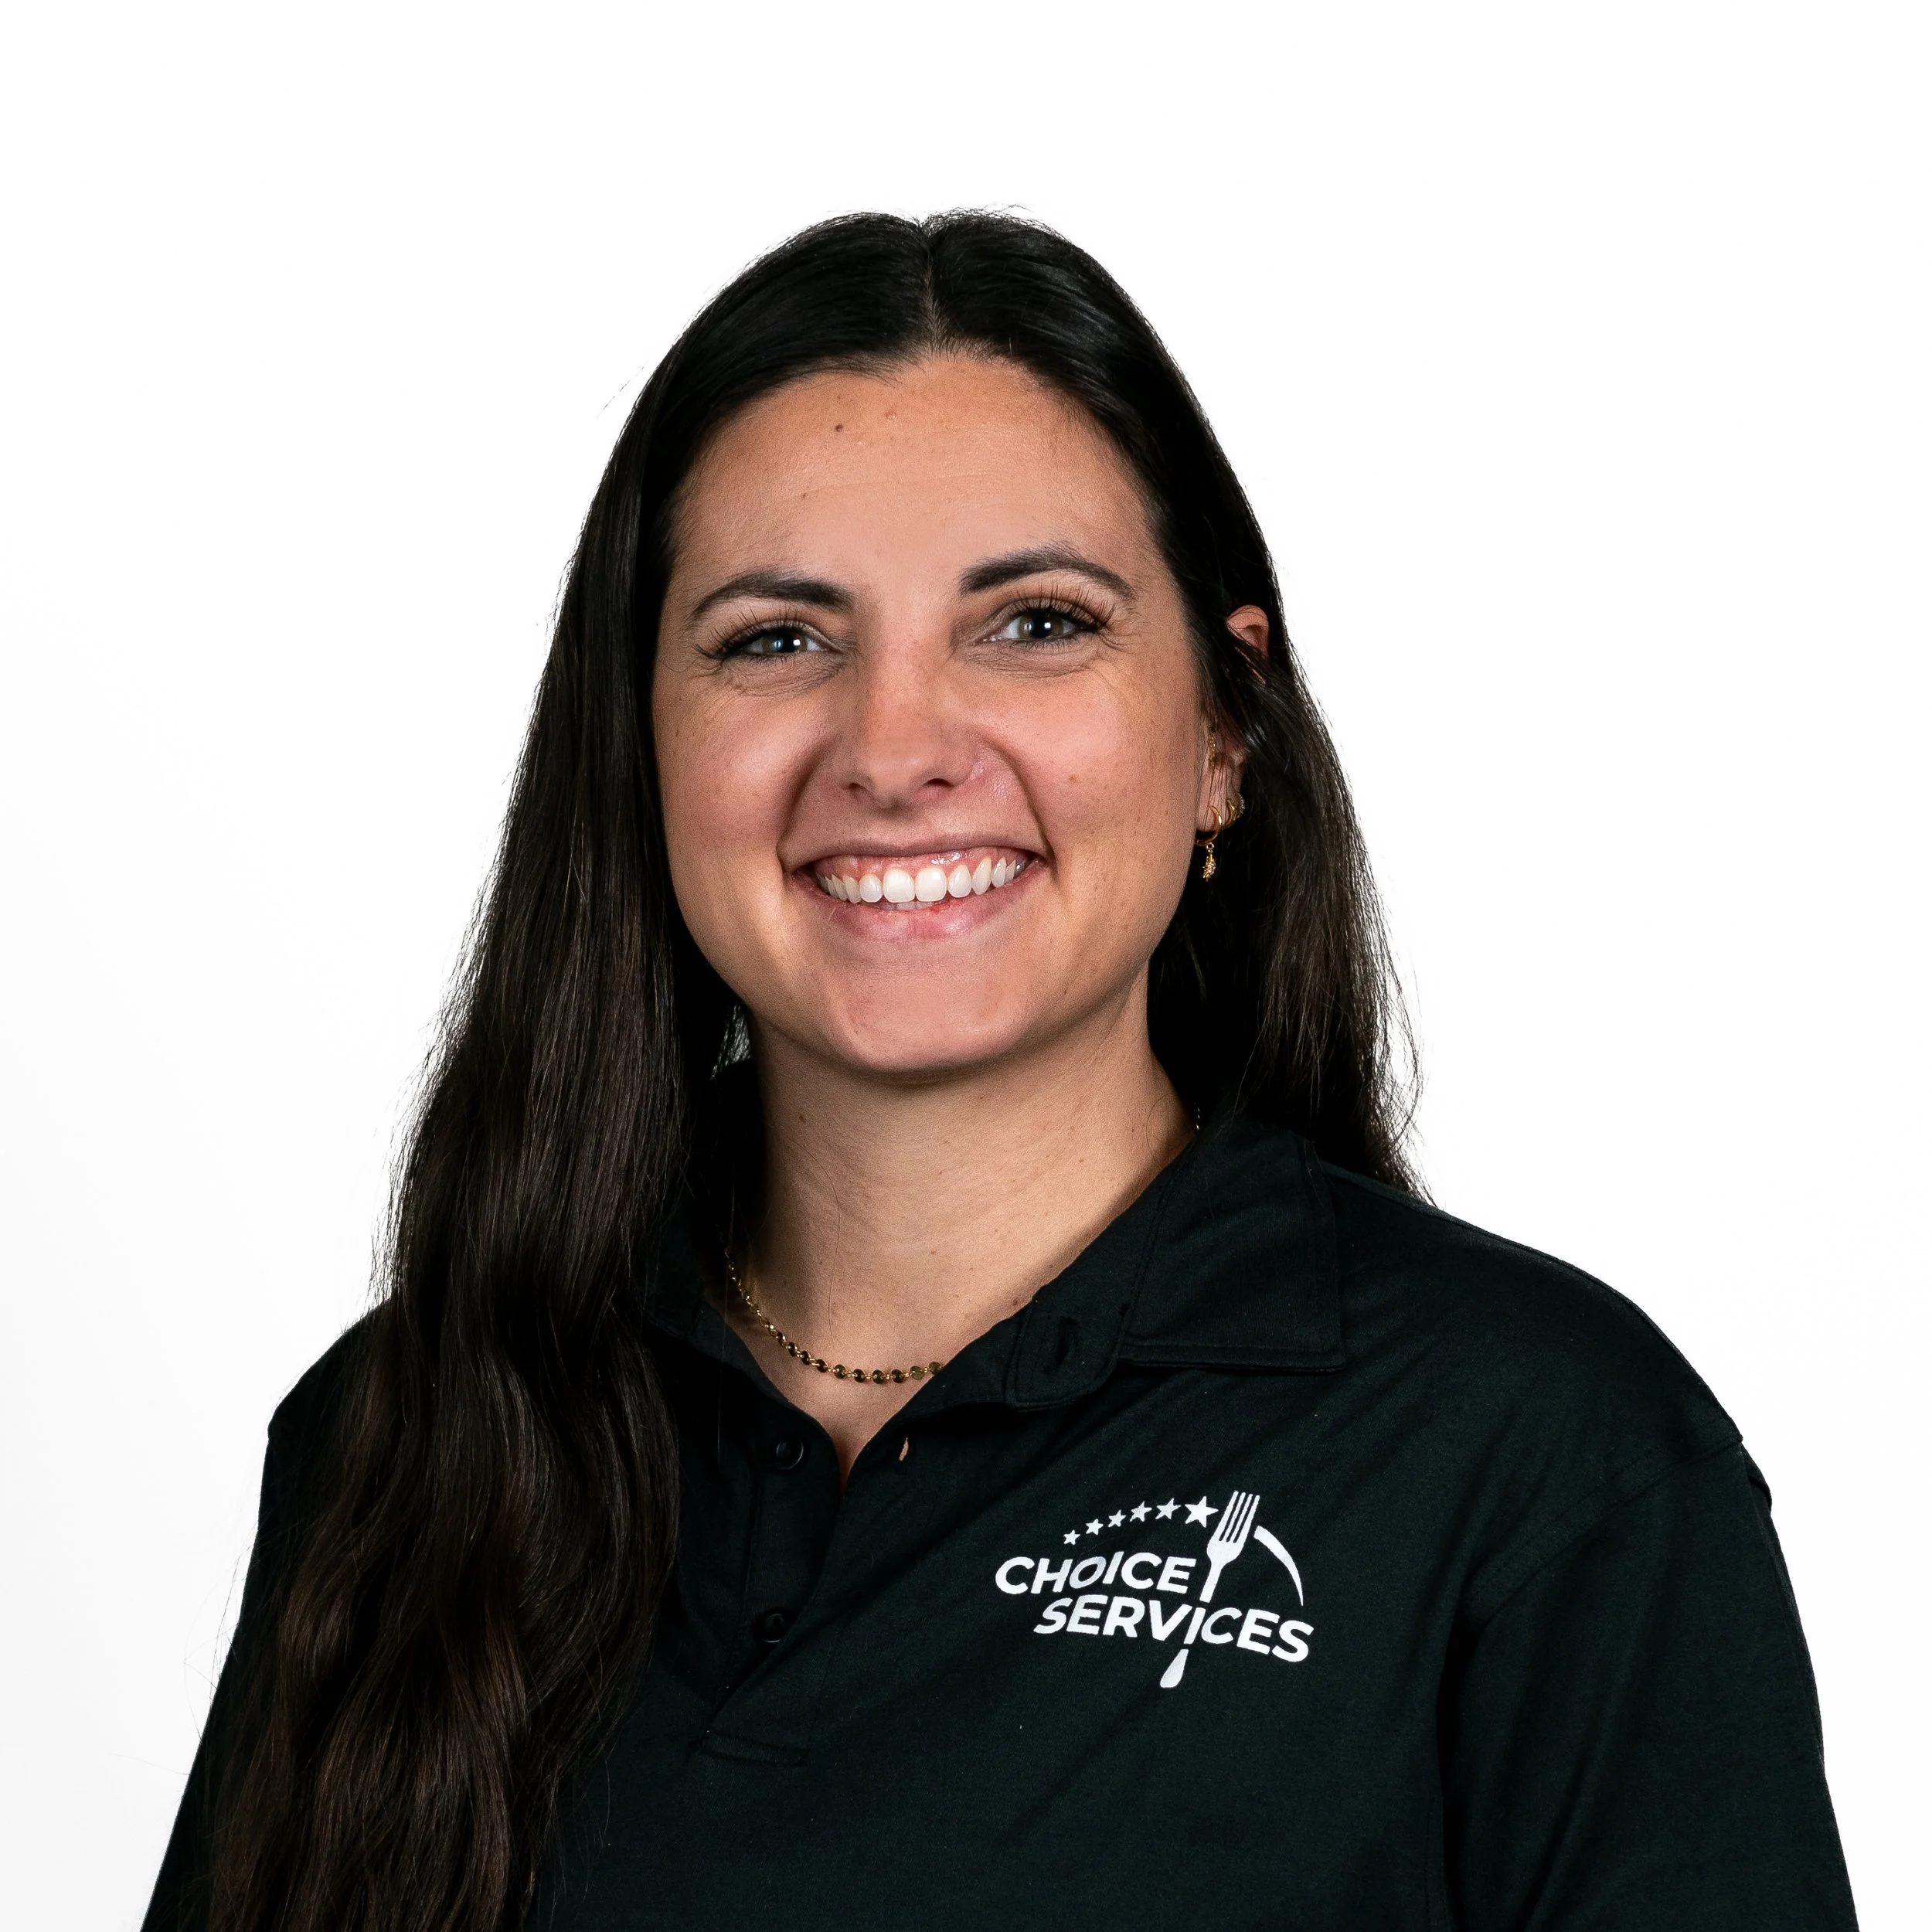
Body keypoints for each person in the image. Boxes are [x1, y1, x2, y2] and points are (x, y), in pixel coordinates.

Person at [144, 212, 1857, 1932]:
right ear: (637, 738)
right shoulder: (402, 1433)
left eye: (1034, 622)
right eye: (777, 639)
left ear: (1223, 730)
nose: (894, 751)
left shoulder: (1542, 1461)